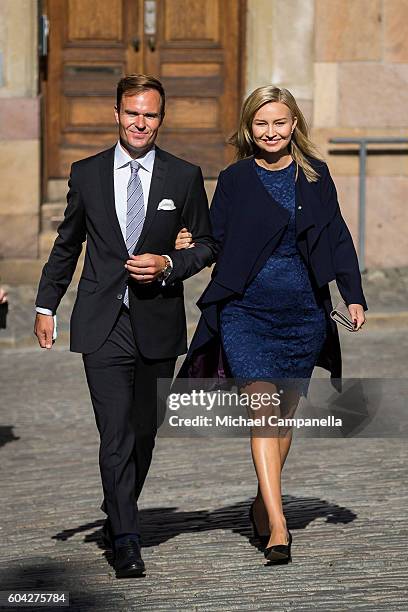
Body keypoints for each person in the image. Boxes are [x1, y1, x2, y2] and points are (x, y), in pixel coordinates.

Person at [34, 74, 216, 578]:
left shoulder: (183, 175)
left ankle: (117, 506)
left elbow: (206, 244)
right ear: (116, 113)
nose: (141, 122)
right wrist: (46, 306)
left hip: (157, 321)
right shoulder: (86, 173)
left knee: (144, 433)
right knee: (113, 433)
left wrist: (169, 265)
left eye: (151, 114)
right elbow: (67, 244)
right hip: (101, 320)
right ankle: (127, 538)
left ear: (162, 119)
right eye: (132, 112)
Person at [178, 85, 367, 564]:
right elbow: (213, 239)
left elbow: (338, 237)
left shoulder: (316, 176)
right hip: (246, 313)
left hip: (303, 314)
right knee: (264, 413)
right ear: (249, 128)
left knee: (283, 420)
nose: (271, 132)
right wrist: (187, 244)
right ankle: (278, 526)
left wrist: (354, 295)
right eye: (261, 124)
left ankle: (262, 504)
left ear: (294, 124)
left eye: (279, 122)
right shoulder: (237, 178)